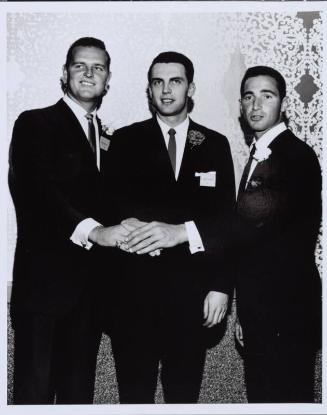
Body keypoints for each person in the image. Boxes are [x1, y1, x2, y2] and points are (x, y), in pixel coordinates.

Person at [102, 51, 235, 403]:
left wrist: (221, 286)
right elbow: (108, 208)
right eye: (157, 82)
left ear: (190, 88)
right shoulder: (125, 141)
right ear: (149, 90)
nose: (165, 90)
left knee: (183, 397)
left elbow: (226, 222)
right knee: (134, 398)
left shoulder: (215, 144)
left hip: (191, 301)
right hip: (133, 301)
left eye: (175, 81)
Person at [9, 37, 130, 404]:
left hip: (90, 299)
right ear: (65, 73)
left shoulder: (110, 139)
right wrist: (95, 230)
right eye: (80, 65)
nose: (89, 73)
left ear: (108, 78)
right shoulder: (35, 123)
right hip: (44, 296)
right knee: (35, 396)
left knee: (79, 399)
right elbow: (37, 193)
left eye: (98, 67)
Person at [233, 66, 322, 402]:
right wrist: (246, 312)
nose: (256, 104)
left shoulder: (295, 156)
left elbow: (249, 229)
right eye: (248, 96)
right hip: (263, 314)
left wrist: (186, 232)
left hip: (288, 315)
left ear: (283, 104)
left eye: (266, 96)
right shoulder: (259, 155)